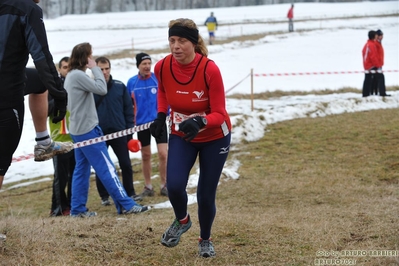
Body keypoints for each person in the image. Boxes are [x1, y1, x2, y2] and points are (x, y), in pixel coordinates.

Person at [150, 18, 231, 258]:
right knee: (174, 185)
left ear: (193, 43)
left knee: (206, 195)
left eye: (182, 41)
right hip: (182, 134)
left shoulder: (209, 69)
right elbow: (164, 91)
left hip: (215, 136)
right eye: (172, 40)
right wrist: (160, 115)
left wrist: (201, 120)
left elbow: (220, 113)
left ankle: (205, 239)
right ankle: (182, 220)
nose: (175, 46)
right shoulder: (162, 67)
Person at [64, 42, 148, 217]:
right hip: (87, 130)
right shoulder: (79, 75)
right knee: (107, 168)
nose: (93, 58)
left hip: (78, 129)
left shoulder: (72, 75)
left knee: (81, 169)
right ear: (85, 57)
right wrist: (95, 69)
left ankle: (78, 209)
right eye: (91, 56)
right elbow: (102, 89)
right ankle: (126, 204)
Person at [0, 0, 71, 190]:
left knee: (39, 82)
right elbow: (41, 56)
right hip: (6, 97)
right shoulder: (27, 9)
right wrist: (59, 94)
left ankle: (43, 142)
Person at [94, 56, 141, 206]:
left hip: (119, 132)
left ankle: (130, 192)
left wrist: (129, 133)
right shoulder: (92, 89)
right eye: (101, 69)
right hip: (99, 134)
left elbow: (128, 109)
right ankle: (104, 196)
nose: (104, 72)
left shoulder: (120, 86)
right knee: (102, 166)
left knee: (126, 164)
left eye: (107, 68)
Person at [127, 53, 168, 198]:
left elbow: (166, 97)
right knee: (146, 155)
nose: (147, 66)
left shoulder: (157, 79)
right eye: (144, 64)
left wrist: (166, 114)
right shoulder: (132, 83)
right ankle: (148, 186)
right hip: (142, 125)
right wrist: (130, 124)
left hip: (159, 122)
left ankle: (164, 185)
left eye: (149, 63)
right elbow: (129, 105)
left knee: (163, 154)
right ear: (138, 65)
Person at [48, 57, 75, 216]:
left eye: (70, 67)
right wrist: (61, 98)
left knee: (74, 175)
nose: (67, 70)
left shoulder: (74, 84)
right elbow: (46, 108)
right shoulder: (53, 87)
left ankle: (72, 205)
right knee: (60, 178)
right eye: (65, 67)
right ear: (60, 69)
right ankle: (57, 207)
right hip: (59, 140)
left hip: (75, 138)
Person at [372, 29, 390, 97]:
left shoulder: (379, 43)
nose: (381, 37)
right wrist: (377, 64)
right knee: (379, 78)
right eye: (379, 35)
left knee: (376, 79)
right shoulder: (375, 43)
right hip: (376, 64)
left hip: (379, 63)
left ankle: (376, 92)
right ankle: (381, 92)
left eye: (382, 35)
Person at [361, 30, 379, 97]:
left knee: (369, 79)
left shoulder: (369, 44)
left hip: (368, 65)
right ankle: (366, 94)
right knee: (369, 80)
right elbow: (373, 56)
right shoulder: (371, 45)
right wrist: (377, 64)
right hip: (370, 65)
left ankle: (369, 93)